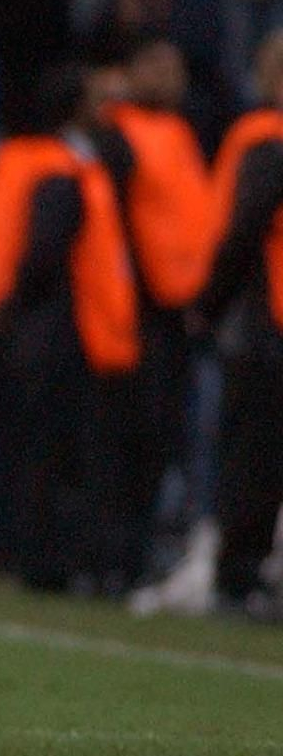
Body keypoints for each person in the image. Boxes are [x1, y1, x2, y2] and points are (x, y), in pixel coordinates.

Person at [0, 65, 139, 592]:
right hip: (54, 326)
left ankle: (12, 549)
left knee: (19, 442)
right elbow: (45, 252)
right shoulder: (63, 170)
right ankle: (44, 560)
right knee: (53, 450)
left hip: (11, 321)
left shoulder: (14, 160)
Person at [95, 37, 213, 586]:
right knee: (125, 438)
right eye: (157, 67)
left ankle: (139, 557)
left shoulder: (182, 135)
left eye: (176, 67)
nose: (169, 78)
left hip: (180, 312)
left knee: (161, 439)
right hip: (133, 307)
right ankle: (112, 558)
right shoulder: (117, 135)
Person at [194, 33, 283, 614]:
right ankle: (240, 573)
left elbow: (241, 228)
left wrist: (208, 303)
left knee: (253, 455)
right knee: (257, 456)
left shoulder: (264, 140)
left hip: (264, 323)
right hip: (266, 317)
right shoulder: (267, 141)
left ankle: (240, 571)